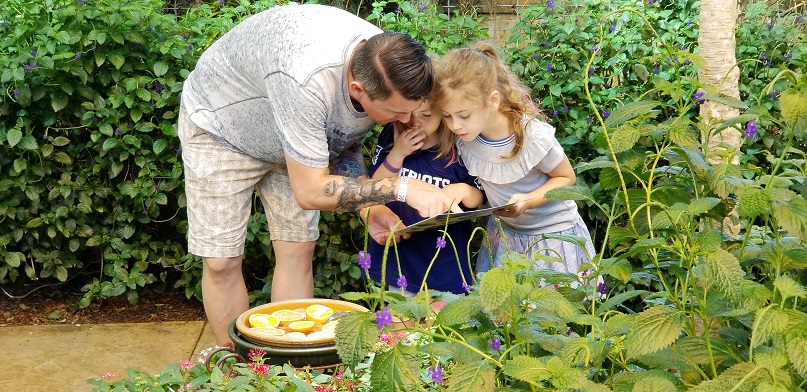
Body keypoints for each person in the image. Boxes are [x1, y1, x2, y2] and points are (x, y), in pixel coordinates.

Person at [178, 3, 459, 345]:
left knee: (298, 250)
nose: (405, 122)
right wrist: (399, 188)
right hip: (222, 129)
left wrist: (367, 207)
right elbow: (310, 191)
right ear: (358, 89)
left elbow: (341, 144)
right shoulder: (307, 78)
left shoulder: (389, 63)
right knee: (221, 261)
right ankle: (235, 368)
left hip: (297, 142)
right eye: (398, 112)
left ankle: (286, 369)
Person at [432, 41, 597, 281]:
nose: (455, 125)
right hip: (506, 236)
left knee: (550, 312)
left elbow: (566, 178)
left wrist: (528, 201)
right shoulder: (467, 137)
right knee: (504, 312)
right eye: (447, 116)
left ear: (493, 100)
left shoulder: (531, 135)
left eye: (463, 115)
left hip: (552, 236)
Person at [366, 97, 484, 295]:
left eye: (427, 114)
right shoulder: (391, 137)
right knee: (400, 321)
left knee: (444, 322)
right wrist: (398, 153)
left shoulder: (460, 147)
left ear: (443, 113)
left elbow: (479, 198)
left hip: (444, 260)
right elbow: (372, 189)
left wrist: (463, 190)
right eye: (407, 112)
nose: (414, 121)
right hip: (400, 257)